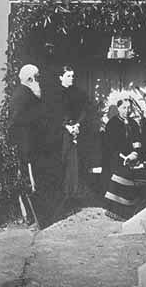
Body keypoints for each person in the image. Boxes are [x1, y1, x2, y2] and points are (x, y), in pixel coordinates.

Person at [102, 98, 142, 220]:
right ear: (118, 108)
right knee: (120, 173)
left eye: (129, 108)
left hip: (131, 157)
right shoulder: (112, 123)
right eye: (124, 108)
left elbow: (137, 140)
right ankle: (115, 210)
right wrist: (123, 156)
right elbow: (110, 145)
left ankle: (127, 208)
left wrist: (135, 153)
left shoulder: (133, 123)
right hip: (115, 157)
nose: (127, 110)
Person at [54, 65, 89, 199]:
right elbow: (55, 114)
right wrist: (66, 126)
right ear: (61, 77)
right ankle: (62, 194)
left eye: (73, 76)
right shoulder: (56, 95)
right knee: (62, 160)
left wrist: (78, 124)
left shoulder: (78, 93)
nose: (71, 78)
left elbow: (84, 110)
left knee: (74, 163)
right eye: (68, 76)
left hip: (76, 130)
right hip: (61, 133)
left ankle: (72, 193)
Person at [9, 64, 43, 192]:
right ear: (30, 80)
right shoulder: (22, 95)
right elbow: (17, 119)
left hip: (29, 142)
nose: (39, 81)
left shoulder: (28, 93)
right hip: (25, 142)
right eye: (37, 78)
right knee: (27, 179)